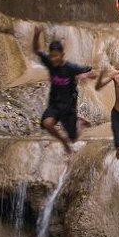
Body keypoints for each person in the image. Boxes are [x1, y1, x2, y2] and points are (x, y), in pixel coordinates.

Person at [33, 25, 94, 154]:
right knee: (47, 123)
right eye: (52, 56)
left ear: (62, 54)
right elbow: (36, 50)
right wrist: (37, 35)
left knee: (74, 138)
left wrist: (85, 75)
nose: (54, 59)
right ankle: (63, 142)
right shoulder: (50, 63)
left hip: (68, 107)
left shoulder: (70, 68)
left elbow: (93, 70)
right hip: (55, 104)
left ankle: (79, 123)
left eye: (56, 56)